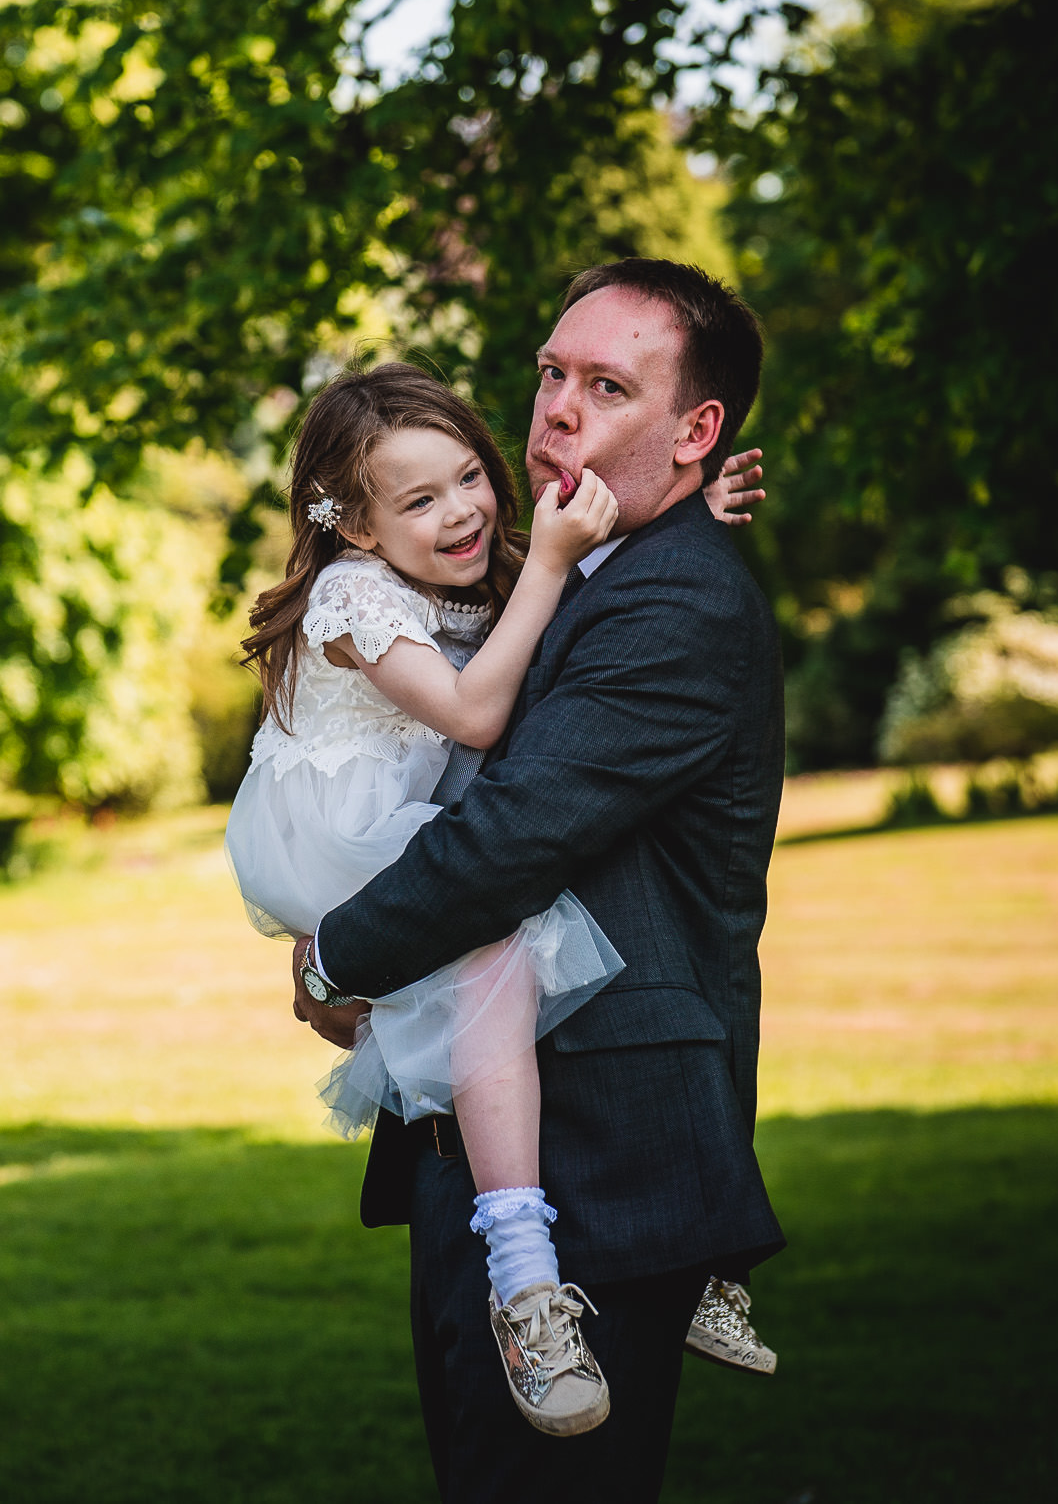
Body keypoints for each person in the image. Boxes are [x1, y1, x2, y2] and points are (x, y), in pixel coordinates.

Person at [291, 259, 788, 1501]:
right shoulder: (589, 558)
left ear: (698, 430)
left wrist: (331, 955)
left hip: (599, 1161)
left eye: (607, 384)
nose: (557, 406)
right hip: (515, 1129)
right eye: (551, 372)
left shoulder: (672, 595)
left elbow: (512, 834)